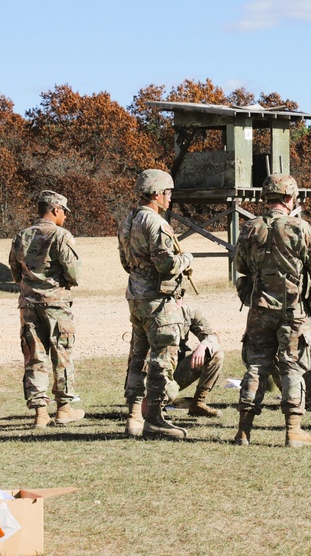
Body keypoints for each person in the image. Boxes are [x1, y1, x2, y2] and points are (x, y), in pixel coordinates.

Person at [233, 174, 311, 447]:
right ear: (289, 198)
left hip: (259, 308)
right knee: (292, 367)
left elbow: (240, 265)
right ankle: (293, 430)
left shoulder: (249, 227)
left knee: (255, 366)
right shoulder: (300, 227)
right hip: (292, 310)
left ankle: (243, 431)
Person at [117, 169, 201, 440]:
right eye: (168, 192)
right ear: (156, 193)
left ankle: (133, 416)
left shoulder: (127, 221)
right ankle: (154, 418)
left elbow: (125, 262)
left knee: (137, 358)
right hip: (158, 301)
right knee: (161, 361)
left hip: (137, 297)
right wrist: (186, 259)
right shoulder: (156, 223)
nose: (170, 198)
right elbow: (166, 265)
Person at [9, 190, 84, 429]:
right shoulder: (61, 236)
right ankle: (64, 408)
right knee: (61, 354)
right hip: (56, 304)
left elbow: (14, 271)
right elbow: (73, 273)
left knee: (34, 356)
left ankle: (40, 413)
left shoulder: (21, 236)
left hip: (29, 304)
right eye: (64, 212)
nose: (65, 217)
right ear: (55, 210)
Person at [170, 305, 224, 417]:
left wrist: (204, 345)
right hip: (153, 376)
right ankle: (154, 406)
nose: (175, 300)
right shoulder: (150, 314)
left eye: (179, 296)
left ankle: (198, 404)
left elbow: (212, 336)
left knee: (215, 353)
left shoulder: (188, 313)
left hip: (174, 372)